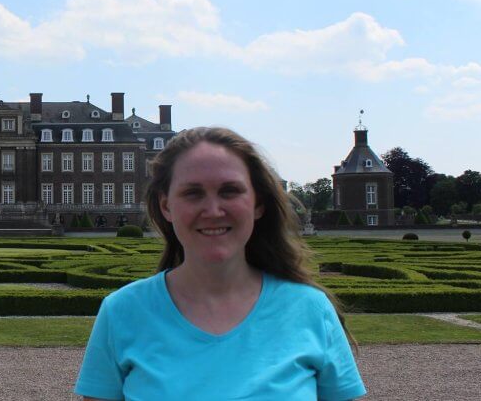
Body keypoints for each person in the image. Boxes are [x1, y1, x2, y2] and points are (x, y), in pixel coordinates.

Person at [76, 127, 365, 401]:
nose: (213, 211)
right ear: (166, 206)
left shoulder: (311, 309)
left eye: (229, 191)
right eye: (193, 193)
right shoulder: (122, 312)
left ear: (258, 204)